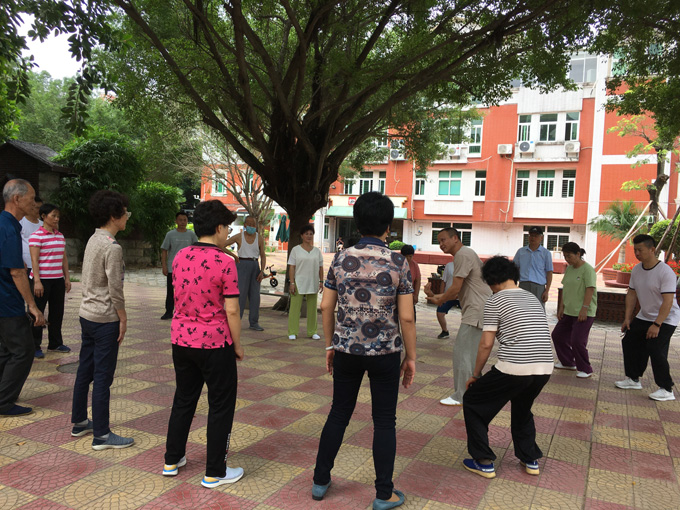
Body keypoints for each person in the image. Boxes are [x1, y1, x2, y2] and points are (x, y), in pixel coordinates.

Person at [312, 191, 416, 510]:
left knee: (338, 413)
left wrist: (330, 344)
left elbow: (326, 306)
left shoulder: (340, 258)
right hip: (385, 353)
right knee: (384, 421)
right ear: (389, 225)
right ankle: (384, 494)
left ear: (357, 223)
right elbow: (407, 317)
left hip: (346, 350)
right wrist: (411, 357)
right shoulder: (399, 262)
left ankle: (320, 481)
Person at [163, 200, 245, 488]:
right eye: (228, 228)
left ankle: (172, 460)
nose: (228, 233)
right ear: (219, 228)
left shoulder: (181, 256)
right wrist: (237, 345)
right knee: (220, 405)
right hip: (215, 343)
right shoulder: (225, 261)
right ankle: (215, 471)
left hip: (181, 340)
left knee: (184, 399)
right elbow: (232, 310)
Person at [462, 256, 553, 479]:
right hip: (544, 367)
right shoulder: (532, 297)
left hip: (515, 367)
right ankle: (530, 459)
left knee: (473, 401)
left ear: (491, 280)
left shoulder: (495, 300)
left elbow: (486, 343)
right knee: (522, 408)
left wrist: (476, 375)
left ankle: (483, 461)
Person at [70, 190, 135, 449]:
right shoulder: (112, 247)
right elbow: (115, 289)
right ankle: (102, 435)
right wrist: (123, 318)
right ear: (114, 216)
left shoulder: (94, 238)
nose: (127, 217)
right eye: (125, 213)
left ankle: (79, 422)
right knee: (102, 377)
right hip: (105, 319)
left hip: (86, 314)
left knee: (84, 371)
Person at [425, 228, 491, 406]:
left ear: (455, 238)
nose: (441, 244)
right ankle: (474, 392)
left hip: (476, 312)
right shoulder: (465, 254)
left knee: (463, 354)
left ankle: (462, 395)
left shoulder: (463, 254)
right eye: (439, 241)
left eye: (444, 240)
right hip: (477, 311)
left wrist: (439, 300)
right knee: (471, 355)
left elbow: (454, 289)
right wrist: (435, 296)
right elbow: (455, 291)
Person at [0, 179, 46, 416]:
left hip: (4, 301)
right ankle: (4, 402)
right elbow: (16, 272)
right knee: (23, 351)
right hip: (7, 302)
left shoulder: (6, 223)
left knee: (6, 350)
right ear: (16, 199)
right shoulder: (7, 227)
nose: (35, 204)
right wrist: (33, 306)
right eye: (31, 198)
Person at [616, 234, 680, 401]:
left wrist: (657, 324)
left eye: (640, 250)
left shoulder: (665, 272)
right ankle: (633, 379)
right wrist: (627, 318)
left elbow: (668, 301)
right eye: (635, 250)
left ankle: (666, 389)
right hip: (644, 316)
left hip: (667, 318)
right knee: (629, 341)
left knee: (655, 348)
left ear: (652, 250)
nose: (637, 253)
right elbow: (631, 294)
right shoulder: (637, 270)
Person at [29, 203, 72, 357]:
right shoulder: (36, 236)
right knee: (37, 313)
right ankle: (34, 346)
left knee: (57, 312)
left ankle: (55, 343)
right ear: (43, 216)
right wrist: (37, 281)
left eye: (58, 216)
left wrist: (67, 278)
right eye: (53, 215)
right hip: (42, 281)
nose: (56, 219)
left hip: (57, 280)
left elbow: (63, 258)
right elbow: (34, 261)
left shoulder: (60, 236)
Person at [552, 242, 597, 378]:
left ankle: (586, 369)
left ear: (578, 254)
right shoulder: (569, 269)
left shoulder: (588, 270)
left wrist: (584, 309)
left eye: (569, 256)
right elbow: (565, 288)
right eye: (565, 256)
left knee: (577, 341)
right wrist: (561, 307)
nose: (567, 259)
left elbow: (590, 289)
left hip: (583, 312)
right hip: (568, 311)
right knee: (557, 335)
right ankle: (568, 362)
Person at [226, 216, 266, 331]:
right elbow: (222, 245)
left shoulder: (259, 238)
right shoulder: (239, 236)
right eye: (249, 224)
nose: (252, 226)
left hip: (255, 265)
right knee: (241, 295)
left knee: (255, 296)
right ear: (245, 225)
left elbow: (263, 255)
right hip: (242, 264)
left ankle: (254, 322)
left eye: (254, 224)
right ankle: (236, 321)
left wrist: (262, 271)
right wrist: (234, 256)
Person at [287, 224, 324, 340]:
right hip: (298, 282)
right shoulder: (295, 250)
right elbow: (292, 267)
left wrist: (321, 281)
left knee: (312, 309)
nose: (309, 236)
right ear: (302, 235)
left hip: (313, 282)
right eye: (306, 234)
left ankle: (312, 331)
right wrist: (292, 283)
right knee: (294, 308)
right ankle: (293, 331)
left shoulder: (317, 251)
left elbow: (321, 267)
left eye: (311, 234)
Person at [160, 211, 198, 320]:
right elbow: (164, 250)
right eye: (180, 220)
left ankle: (185, 311)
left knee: (187, 291)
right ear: (176, 221)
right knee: (170, 291)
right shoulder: (170, 234)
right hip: (172, 268)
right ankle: (168, 312)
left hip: (188, 269)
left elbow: (196, 250)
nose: (182, 222)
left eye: (184, 220)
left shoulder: (192, 235)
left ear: (187, 221)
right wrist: (164, 266)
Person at [513, 226, 553, 308]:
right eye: (531, 235)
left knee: (538, 310)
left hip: (539, 287)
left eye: (536, 236)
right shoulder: (521, 252)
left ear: (541, 238)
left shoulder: (546, 253)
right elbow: (514, 269)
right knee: (522, 309)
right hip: (523, 285)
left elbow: (549, 272)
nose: (533, 238)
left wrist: (547, 291)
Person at [19, 195, 42, 281]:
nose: (39, 211)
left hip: (41, 265)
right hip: (26, 265)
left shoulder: (43, 225)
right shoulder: (20, 223)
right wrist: (20, 261)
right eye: (37, 208)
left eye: (41, 208)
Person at [436, 261, 461, 339]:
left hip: (462, 296)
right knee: (440, 312)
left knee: (467, 315)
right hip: (448, 295)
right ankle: (445, 331)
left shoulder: (467, 265)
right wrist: (441, 296)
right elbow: (443, 281)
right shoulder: (449, 265)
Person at [400, 245, 421, 321]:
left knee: (411, 318)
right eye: (406, 256)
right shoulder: (397, 264)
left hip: (410, 295)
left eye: (410, 256)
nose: (408, 258)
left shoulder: (414, 265)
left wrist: (416, 295)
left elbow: (418, 280)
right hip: (398, 295)